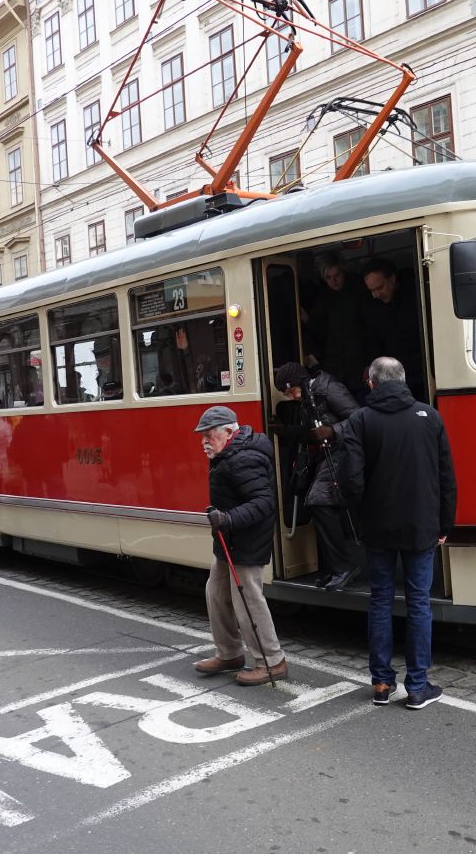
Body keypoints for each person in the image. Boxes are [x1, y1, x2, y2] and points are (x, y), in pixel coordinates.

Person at [342, 356, 456, 710]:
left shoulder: (359, 421)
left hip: (378, 526)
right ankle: (418, 687)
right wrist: (444, 524)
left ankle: (380, 683)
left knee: (380, 600)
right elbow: (446, 477)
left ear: (371, 383)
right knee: (419, 602)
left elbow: (351, 481)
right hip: (422, 524)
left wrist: (361, 517)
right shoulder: (429, 416)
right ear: (403, 381)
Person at [194, 405, 288, 686]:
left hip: (245, 539)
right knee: (216, 592)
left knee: (248, 600)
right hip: (229, 537)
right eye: (202, 436)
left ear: (228, 431)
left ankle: (272, 661)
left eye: (208, 435)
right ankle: (230, 653)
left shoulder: (243, 458)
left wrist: (228, 518)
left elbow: (264, 502)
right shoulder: (230, 453)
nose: (203, 442)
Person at [273, 361, 360, 590]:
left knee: (318, 501)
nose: (290, 396)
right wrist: (288, 432)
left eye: (289, 390)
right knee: (318, 503)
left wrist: (332, 431)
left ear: (297, 382)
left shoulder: (328, 388)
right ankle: (334, 567)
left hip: (343, 452)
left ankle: (343, 566)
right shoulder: (309, 395)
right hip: (330, 453)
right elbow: (312, 434)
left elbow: (359, 418)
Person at [305, 254, 370, 396]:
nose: (333, 281)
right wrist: (316, 356)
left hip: (360, 364)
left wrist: (370, 362)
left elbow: (371, 329)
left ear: (343, 272)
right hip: (334, 368)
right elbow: (316, 331)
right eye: (328, 277)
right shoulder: (323, 299)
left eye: (337, 275)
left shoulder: (360, 292)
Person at [362, 257, 426, 399]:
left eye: (380, 287)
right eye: (372, 290)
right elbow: (373, 341)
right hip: (394, 376)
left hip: (423, 371)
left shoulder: (417, 296)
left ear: (392, 279)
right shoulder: (373, 308)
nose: (376, 294)